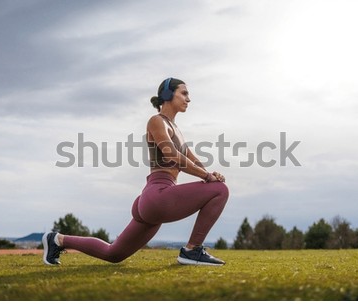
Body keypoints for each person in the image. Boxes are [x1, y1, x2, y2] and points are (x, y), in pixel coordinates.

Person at [43, 77, 229, 266]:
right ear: (167, 94)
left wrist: (210, 175)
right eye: (184, 93)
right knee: (221, 190)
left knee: (113, 253)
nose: (188, 99)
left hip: (151, 200)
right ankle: (192, 250)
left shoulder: (176, 129)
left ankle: (57, 240)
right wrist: (207, 178)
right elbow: (171, 154)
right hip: (158, 196)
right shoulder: (157, 121)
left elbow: (190, 158)